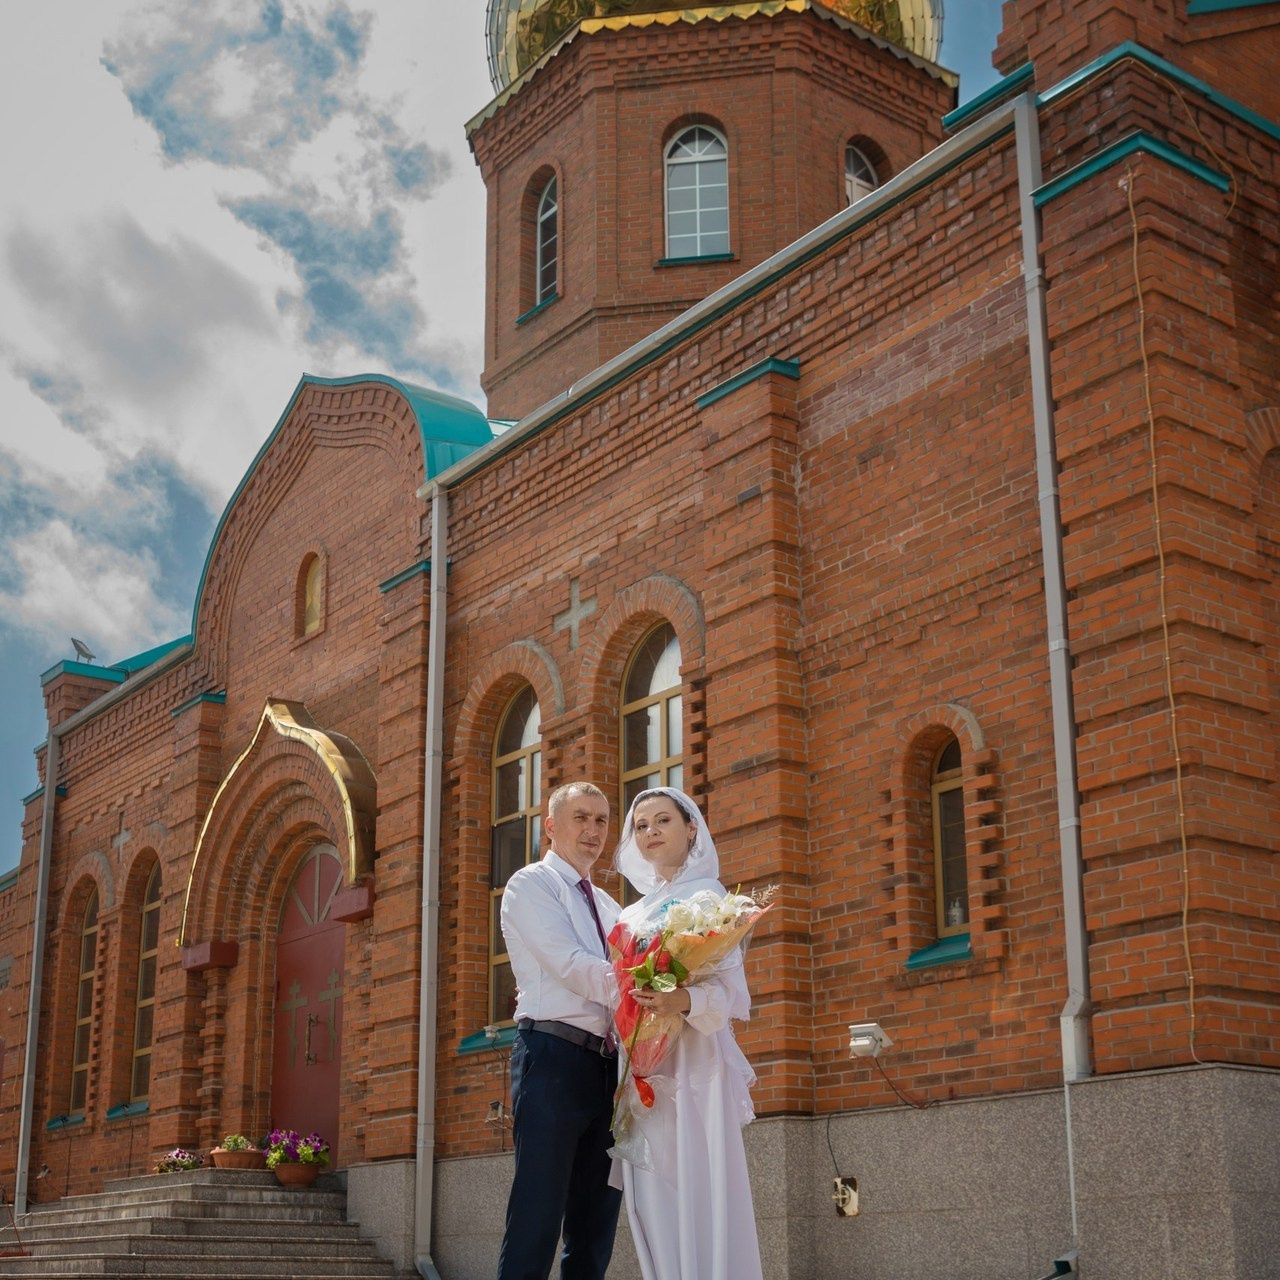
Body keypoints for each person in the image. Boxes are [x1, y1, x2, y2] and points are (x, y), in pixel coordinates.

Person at [611, 785, 764, 1280]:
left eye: (663, 821)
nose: (651, 832)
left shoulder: (710, 898)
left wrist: (683, 1000)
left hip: (695, 1061)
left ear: (691, 828)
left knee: (700, 1181)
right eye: (641, 826)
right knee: (652, 1189)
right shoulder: (629, 915)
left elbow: (732, 996)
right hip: (643, 1069)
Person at [496, 781, 622, 1280]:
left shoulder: (612, 907)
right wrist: (646, 987)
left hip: (609, 1070)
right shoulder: (530, 885)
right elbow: (571, 965)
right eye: (581, 818)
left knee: (595, 1225)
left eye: (601, 820)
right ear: (551, 827)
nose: (593, 830)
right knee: (537, 1216)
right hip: (551, 1057)